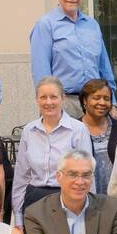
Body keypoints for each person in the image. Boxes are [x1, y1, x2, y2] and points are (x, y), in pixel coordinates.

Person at [29, 0, 116, 118]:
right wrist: (50, 104)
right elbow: (41, 72)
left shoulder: (92, 25)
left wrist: (112, 102)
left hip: (96, 103)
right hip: (64, 104)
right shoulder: (45, 25)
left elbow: (104, 67)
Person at [11, 77, 93, 223]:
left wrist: (88, 211)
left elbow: (88, 174)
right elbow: (21, 176)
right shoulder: (29, 131)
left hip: (68, 199)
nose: (48, 102)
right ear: (37, 100)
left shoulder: (78, 130)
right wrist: (18, 216)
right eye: (43, 97)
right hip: (34, 200)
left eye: (53, 97)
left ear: (63, 98)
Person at [79, 77, 117, 195]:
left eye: (106, 99)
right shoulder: (74, 130)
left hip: (116, 200)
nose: (102, 103)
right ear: (84, 101)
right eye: (96, 98)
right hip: (84, 198)